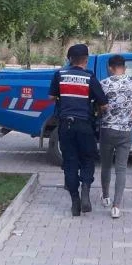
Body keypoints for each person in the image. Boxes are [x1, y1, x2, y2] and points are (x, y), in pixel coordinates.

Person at [49, 44, 108, 216]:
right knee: (88, 159)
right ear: (86, 60)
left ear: (69, 59)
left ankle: (75, 200)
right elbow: (104, 104)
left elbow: (51, 96)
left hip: (66, 125)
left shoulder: (60, 75)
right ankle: (86, 190)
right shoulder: (90, 77)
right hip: (85, 125)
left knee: (70, 162)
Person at [99, 55, 132, 219]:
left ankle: (105, 197)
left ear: (110, 68)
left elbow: (99, 106)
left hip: (107, 130)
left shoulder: (103, 84)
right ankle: (116, 206)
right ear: (125, 67)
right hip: (126, 131)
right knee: (121, 169)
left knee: (106, 166)